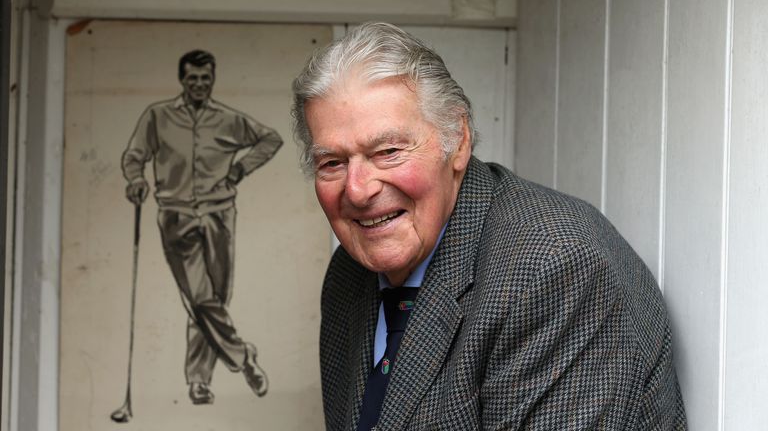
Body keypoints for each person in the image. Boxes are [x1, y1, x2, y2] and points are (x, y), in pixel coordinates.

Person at [291, 23, 687, 430]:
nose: (357, 190)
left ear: (458, 141)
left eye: (388, 151)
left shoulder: (554, 266)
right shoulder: (348, 274)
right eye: (332, 163)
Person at [121, 49, 282, 405]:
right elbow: (134, 156)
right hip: (176, 216)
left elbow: (270, 139)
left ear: (213, 80)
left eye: (205, 78)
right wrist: (135, 179)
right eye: (192, 78)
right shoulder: (157, 116)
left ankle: (198, 382)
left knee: (214, 300)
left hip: (219, 215)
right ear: (182, 80)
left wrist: (240, 169)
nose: (198, 84)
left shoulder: (227, 120)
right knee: (200, 297)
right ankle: (242, 356)